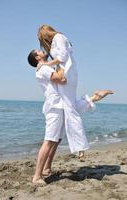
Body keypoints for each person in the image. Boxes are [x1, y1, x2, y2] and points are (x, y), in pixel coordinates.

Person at [27, 49, 113, 185]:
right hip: (54, 107)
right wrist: (59, 65)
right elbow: (61, 79)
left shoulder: (46, 67)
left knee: (57, 140)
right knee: (49, 140)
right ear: (37, 57)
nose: (42, 50)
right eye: (39, 51)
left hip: (62, 103)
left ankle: (47, 168)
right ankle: (37, 176)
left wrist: (54, 64)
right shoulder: (43, 69)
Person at [37, 24, 113, 157]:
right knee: (70, 107)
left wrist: (46, 64)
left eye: (42, 38)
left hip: (68, 75)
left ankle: (80, 147)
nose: (44, 42)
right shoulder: (56, 40)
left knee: (70, 110)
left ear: (45, 33)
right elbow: (61, 61)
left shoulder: (58, 37)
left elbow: (62, 58)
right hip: (68, 74)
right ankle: (95, 97)